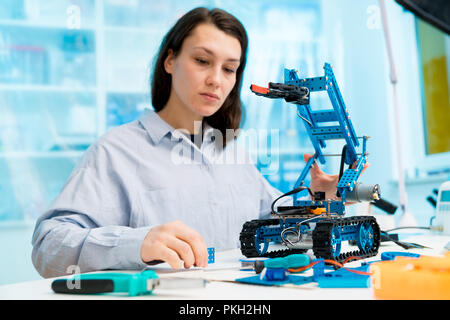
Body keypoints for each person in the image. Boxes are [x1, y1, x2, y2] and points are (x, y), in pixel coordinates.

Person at [31, 7, 350, 278]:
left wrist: (319, 200)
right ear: (170, 61)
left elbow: (275, 220)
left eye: (229, 69)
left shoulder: (230, 151)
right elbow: (48, 246)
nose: (216, 80)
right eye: (202, 61)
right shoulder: (116, 152)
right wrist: (138, 244)